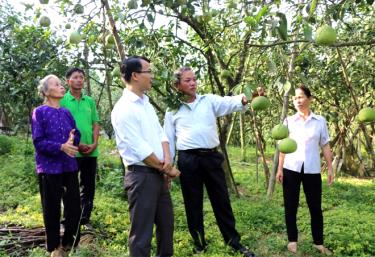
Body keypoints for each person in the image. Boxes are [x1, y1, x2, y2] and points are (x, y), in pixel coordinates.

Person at [164, 67, 257, 257]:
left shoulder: (208, 101)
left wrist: (248, 96)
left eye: (194, 79)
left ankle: (233, 241)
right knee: (193, 203)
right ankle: (199, 243)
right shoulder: (172, 110)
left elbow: (231, 102)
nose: (193, 83)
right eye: (187, 80)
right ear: (177, 85)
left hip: (211, 158)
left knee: (221, 200)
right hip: (188, 160)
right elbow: (168, 139)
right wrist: (168, 166)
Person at [111, 56, 180, 257]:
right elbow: (140, 149)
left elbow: (161, 135)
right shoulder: (123, 109)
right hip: (141, 176)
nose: (152, 76)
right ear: (135, 76)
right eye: (148, 71)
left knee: (166, 227)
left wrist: (167, 162)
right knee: (141, 234)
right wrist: (168, 169)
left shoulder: (145, 103)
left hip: (158, 173)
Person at [276, 85, 334, 255]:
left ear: (309, 99)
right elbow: (283, 147)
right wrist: (280, 168)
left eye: (301, 97)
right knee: (290, 206)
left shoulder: (320, 121)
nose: (298, 101)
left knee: (315, 207)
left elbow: (325, 145)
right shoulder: (288, 121)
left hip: (312, 169)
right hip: (291, 168)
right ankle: (292, 241)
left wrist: (330, 168)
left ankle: (318, 242)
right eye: (295, 98)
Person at [31, 75, 81, 257]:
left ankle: (70, 242)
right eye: (57, 84)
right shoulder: (40, 112)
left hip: (69, 165)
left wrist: (72, 141)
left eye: (61, 84)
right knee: (51, 208)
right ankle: (54, 247)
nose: (61, 87)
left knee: (74, 205)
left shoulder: (66, 112)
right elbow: (38, 141)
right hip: (49, 167)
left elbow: (77, 133)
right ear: (46, 91)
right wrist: (61, 146)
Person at [60, 68, 100, 229]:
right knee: (69, 186)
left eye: (81, 77)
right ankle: (67, 219)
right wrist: (76, 144)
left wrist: (95, 143)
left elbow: (95, 123)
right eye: (75, 77)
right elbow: (60, 126)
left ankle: (85, 219)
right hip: (71, 151)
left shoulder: (89, 101)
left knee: (88, 186)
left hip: (91, 151)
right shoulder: (62, 100)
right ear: (68, 80)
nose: (79, 80)